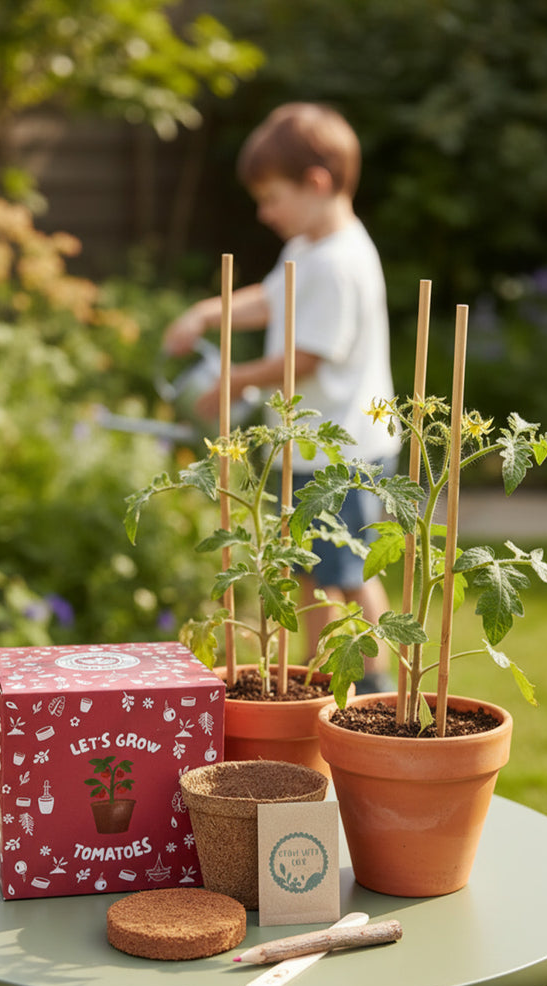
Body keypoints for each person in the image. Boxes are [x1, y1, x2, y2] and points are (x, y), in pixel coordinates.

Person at [163, 102, 399, 691]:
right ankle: (328, 679)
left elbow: (311, 355)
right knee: (314, 571)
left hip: (341, 457)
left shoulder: (340, 262)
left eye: (271, 197)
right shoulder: (309, 248)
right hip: (311, 455)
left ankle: (366, 684)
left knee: (343, 571)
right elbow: (271, 299)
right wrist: (206, 312)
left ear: (316, 183)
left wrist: (235, 379)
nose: (263, 212)